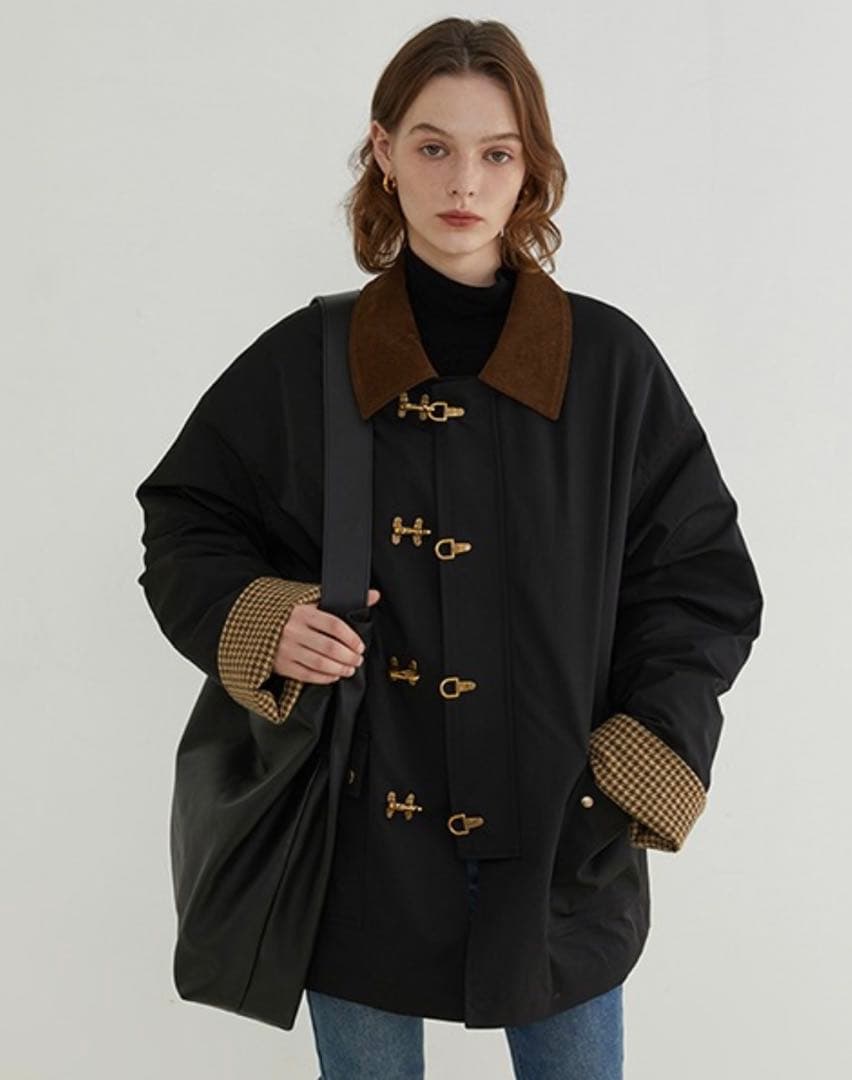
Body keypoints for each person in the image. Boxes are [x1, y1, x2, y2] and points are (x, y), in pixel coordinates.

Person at [135, 16, 764, 1080]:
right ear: (385, 152)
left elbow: (699, 580)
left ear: (531, 167)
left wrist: (635, 762)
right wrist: (263, 621)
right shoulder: (308, 359)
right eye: (433, 146)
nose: (464, 181)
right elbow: (185, 517)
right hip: (358, 850)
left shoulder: (608, 365)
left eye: (496, 152)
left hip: (563, 840)